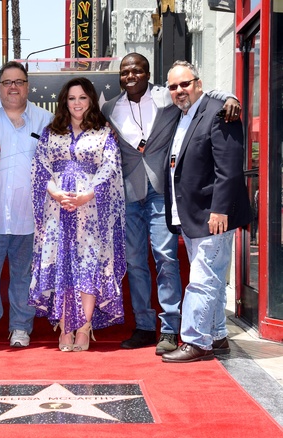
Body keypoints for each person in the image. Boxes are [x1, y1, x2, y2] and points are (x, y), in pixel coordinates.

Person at [101, 53, 241, 355]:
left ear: (148, 73)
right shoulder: (109, 107)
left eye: (137, 71)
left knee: (166, 258)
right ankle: (143, 326)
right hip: (128, 194)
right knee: (135, 262)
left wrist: (231, 97)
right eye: (125, 72)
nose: (130, 76)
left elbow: (199, 92)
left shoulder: (167, 95)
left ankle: (169, 328)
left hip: (162, 191)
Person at [161, 61, 251, 363]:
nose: (179, 90)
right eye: (173, 86)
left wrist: (220, 210)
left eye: (185, 84)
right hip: (190, 215)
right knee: (210, 278)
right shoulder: (181, 115)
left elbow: (229, 168)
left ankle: (196, 341)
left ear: (198, 83)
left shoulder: (219, 112)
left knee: (201, 279)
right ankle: (217, 335)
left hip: (212, 216)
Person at [28, 77, 126, 352]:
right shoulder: (51, 132)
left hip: (91, 211)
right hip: (56, 210)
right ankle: (65, 328)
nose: (77, 103)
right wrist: (56, 193)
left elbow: (110, 168)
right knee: (62, 266)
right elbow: (39, 167)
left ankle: (83, 328)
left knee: (88, 267)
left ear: (91, 100)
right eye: (72, 98)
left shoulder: (103, 133)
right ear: (64, 102)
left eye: (83, 97)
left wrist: (87, 195)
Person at [0, 61, 53, 348]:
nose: (13, 87)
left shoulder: (45, 120)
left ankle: (21, 327)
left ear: (28, 86)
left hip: (29, 216)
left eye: (19, 82)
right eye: (7, 82)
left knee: (23, 277)